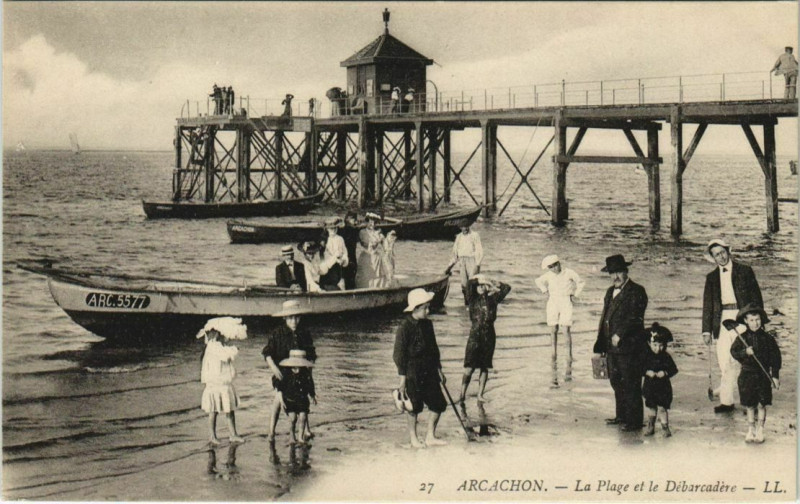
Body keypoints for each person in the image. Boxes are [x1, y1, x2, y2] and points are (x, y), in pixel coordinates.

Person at [701, 238, 763, 414]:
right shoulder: (711, 277)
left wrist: (758, 321)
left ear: (728, 251)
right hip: (721, 321)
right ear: (713, 258)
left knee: (746, 360)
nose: (720, 257)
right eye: (716, 255)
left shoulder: (745, 271)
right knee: (724, 361)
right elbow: (708, 306)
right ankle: (727, 402)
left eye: (722, 252)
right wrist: (706, 330)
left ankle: (751, 401)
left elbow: (756, 298)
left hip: (742, 318)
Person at [593, 254, 648, 432]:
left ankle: (635, 421)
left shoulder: (637, 290)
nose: (615, 277)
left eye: (618, 272)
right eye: (611, 273)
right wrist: (600, 344)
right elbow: (604, 318)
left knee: (631, 382)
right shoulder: (609, 292)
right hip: (610, 347)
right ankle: (621, 416)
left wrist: (620, 334)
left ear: (626, 271)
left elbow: (636, 317)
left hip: (630, 346)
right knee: (616, 381)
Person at [393, 288, 448, 448]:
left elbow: (434, 349)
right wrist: (402, 378)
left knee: (438, 403)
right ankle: (413, 438)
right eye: (425, 307)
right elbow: (398, 355)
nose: (428, 310)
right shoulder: (404, 327)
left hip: (429, 369)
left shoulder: (428, 324)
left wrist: (439, 369)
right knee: (414, 407)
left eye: (428, 307)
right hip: (412, 371)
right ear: (416, 308)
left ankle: (430, 435)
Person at [263, 300, 317, 442]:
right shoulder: (278, 333)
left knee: (303, 397)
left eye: (297, 317)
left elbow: (311, 354)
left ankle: (305, 429)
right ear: (285, 318)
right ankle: (271, 431)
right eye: (291, 317)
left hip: (302, 371)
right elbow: (267, 353)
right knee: (278, 400)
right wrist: (274, 368)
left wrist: (309, 371)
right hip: (282, 373)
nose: (294, 321)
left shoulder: (304, 333)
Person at [729, 304, 781, 444]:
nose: (755, 323)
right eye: (751, 320)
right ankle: (750, 429)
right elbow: (733, 352)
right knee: (750, 404)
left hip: (763, 376)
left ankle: (760, 429)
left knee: (761, 404)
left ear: (761, 320)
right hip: (747, 375)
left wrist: (775, 376)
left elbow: (776, 358)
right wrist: (745, 352)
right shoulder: (742, 338)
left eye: (757, 319)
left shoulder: (768, 339)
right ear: (745, 321)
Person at [458, 274, 511, 404]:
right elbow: (469, 284)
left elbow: (507, 288)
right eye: (479, 286)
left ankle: (480, 395)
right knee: (469, 367)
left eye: (483, 286)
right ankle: (462, 394)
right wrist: (479, 280)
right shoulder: (471, 298)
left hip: (489, 335)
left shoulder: (493, 299)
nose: (481, 288)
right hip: (475, 335)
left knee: (485, 366)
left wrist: (493, 282)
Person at [535, 254, 585, 387]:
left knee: (566, 329)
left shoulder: (569, 272)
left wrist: (575, 294)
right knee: (553, 329)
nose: (553, 269)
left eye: (554, 266)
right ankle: (554, 353)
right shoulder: (548, 275)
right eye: (550, 267)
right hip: (553, 301)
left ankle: (568, 355)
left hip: (566, 300)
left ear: (558, 263)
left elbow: (580, 282)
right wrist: (544, 290)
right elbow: (538, 281)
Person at [198, 317, 248, 445]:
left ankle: (232, 434)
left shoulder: (217, 346)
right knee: (214, 411)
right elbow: (225, 356)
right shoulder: (213, 346)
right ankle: (213, 436)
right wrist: (234, 350)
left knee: (228, 409)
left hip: (223, 383)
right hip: (216, 383)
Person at [642, 323, 678, 437]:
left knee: (662, 408)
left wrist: (665, 373)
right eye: (655, 345)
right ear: (649, 343)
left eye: (661, 345)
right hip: (650, 386)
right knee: (651, 407)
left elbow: (674, 369)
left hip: (663, 387)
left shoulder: (666, 356)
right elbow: (639, 368)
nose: (658, 348)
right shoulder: (646, 356)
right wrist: (647, 372)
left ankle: (665, 427)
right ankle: (651, 426)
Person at [276, 349, 317, 445]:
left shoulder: (305, 372)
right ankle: (292, 436)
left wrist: (313, 395)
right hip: (290, 400)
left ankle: (300, 437)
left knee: (303, 417)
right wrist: (281, 401)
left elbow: (310, 384)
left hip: (302, 400)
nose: (297, 366)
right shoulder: (286, 372)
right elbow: (280, 388)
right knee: (293, 418)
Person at [445, 220, 483, 305]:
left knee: (472, 283)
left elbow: (479, 250)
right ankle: (466, 303)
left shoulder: (474, 235)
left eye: (466, 226)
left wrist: (477, 264)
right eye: (463, 227)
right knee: (464, 284)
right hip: (462, 261)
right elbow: (455, 254)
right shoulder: (458, 237)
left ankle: (473, 303)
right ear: (460, 228)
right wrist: (449, 267)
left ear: (469, 226)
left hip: (472, 260)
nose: (465, 229)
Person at [355, 212, 385, 288]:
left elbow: (385, 245)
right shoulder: (362, 232)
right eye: (371, 221)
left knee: (378, 277)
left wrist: (387, 240)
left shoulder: (378, 232)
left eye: (375, 222)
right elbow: (366, 244)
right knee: (365, 277)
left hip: (376, 258)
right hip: (366, 256)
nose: (372, 223)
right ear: (367, 221)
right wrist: (377, 239)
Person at [321, 217, 348, 290]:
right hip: (329, 267)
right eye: (331, 228)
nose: (333, 230)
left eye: (335, 228)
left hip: (340, 266)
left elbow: (344, 251)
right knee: (331, 286)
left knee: (342, 284)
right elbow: (325, 256)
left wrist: (344, 259)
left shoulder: (340, 239)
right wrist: (335, 259)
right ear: (327, 229)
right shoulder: (325, 240)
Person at [341, 212, 361, 289]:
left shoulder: (344, 230)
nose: (355, 222)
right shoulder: (352, 230)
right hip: (349, 257)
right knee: (350, 277)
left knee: (347, 277)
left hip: (348, 257)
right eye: (354, 220)